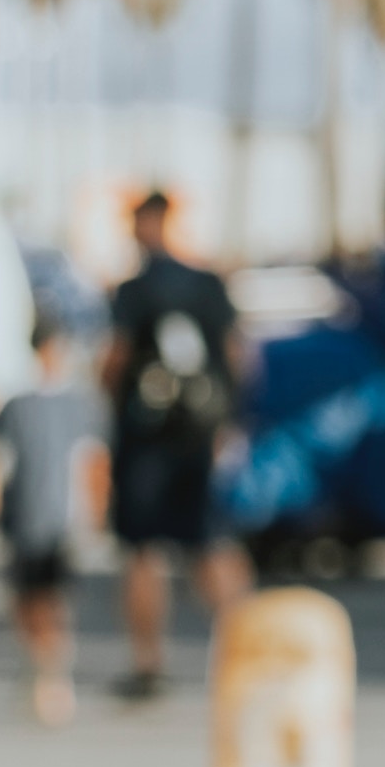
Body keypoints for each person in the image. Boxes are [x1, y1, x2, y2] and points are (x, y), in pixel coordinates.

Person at [102, 186, 248, 699]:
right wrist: (227, 417)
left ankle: (149, 663)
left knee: (144, 550)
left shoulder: (133, 291)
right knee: (210, 543)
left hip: (146, 436)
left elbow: (115, 360)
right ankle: (250, 647)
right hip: (199, 432)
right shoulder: (208, 284)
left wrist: (110, 406)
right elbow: (237, 357)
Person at [0, 315, 106, 723]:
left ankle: (52, 676)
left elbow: (92, 462)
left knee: (52, 599)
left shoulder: (81, 403)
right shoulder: (17, 403)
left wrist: (94, 515)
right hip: (21, 516)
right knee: (24, 599)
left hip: (59, 519)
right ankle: (38, 664)